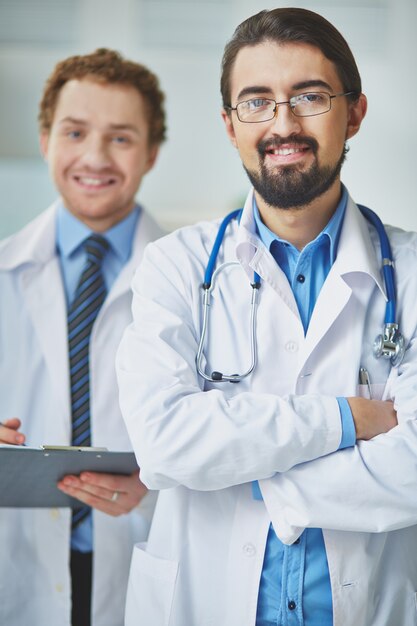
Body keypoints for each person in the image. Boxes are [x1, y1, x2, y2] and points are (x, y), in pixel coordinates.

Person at [116, 7, 417, 626]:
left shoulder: (410, 273)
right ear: (230, 125)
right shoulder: (175, 266)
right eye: (256, 102)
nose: (283, 124)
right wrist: (345, 421)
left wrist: (240, 469)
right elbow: (165, 442)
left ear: (354, 112)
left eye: (309, 97)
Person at [0, 48, 165, 626]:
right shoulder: (5, 272)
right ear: (45, 139)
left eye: (121, 138)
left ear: (151, 152)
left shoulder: (200, 286)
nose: (95, 157)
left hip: (140, 561)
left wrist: (158, 480)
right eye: (75, 132)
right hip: (17, 567)